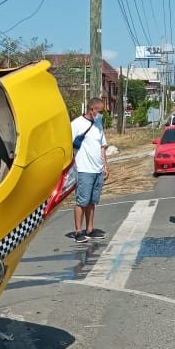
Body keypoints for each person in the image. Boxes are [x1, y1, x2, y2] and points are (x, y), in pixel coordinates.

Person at [70, 98, 109, 243]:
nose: (101, 114)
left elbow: (102, 146)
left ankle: (90, 229)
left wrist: (105, 166)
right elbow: (68, 145)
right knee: (82, 201)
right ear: (91, 109)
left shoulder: (98, 124)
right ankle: (78, 231)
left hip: (97, 169)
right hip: (83, 169)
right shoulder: (76, 124)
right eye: (99, 111)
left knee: (92, 201)